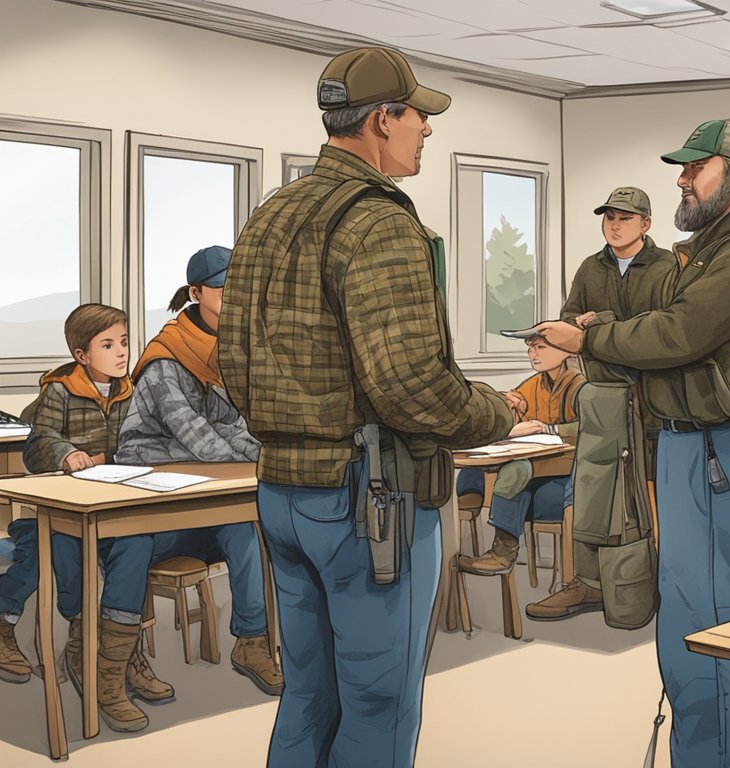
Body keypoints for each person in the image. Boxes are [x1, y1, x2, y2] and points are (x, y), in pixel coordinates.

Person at [218, 46, 513, 768]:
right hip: (367, 499)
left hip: (284, 488)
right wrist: (495, 412)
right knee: (380, 702)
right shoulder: (379, 221)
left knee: (310, 695)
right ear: (382, 119)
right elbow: (410, 386)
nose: (427, 131)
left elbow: (234, 358)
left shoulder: (271, 214)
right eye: (418, 116)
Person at [531, 119, 730, 768]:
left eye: (697, 169)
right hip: (697, 446)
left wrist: (589, 339)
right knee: (693, 622)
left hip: (727, 449)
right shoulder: (715, 247)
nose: (683, 179)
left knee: (715, 623)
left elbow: (679, 334)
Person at [117, 246, 281, 697]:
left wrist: (265, 452)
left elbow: (235, 425)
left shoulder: (225, 350)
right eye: (225, 287)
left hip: (201, 490)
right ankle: (122, 657)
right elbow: (197, 436)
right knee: (130, 551)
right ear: (196, 292)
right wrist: (259, 459)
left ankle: (251, 640)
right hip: (151, 497)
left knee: (247, 528)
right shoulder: (167, 357)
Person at [0, 304, 168, 732]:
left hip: (111, 507)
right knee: (55, 551)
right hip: (55, 510)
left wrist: (109, 458)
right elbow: (38, 446)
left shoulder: (133, 391)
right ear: (81, 354)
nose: (120, 353)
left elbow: (145, 441)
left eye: (125, 343)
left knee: (135, 544)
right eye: (107, 345)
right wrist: (66, 453)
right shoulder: (60, 391)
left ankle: (117, 654)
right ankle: (65, 633)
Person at [526, 186, 674, 621]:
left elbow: (666, 330)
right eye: (609, 216)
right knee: (591, 493)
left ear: (645, 224)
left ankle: (647, 588)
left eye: (624, 217)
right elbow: (571, 318)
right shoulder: (591, 267)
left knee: (650, 502)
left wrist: (603, 325)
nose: (614, 224)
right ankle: (590, 584)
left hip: (655, 404)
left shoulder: (666, 266)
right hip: (603, 397)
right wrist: (570, 326)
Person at [456, 336, 583, 574]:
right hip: (537, 463)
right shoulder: (535, 384)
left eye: (540, 347)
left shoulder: (579, 385)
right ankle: (462, 538)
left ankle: (503, 553)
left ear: (564, 350)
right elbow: (514, 410)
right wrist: (511, 409)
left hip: (566, 474)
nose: (532, 354)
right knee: (473, 470)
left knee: (516, 470)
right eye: (530, 349)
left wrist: (548, 428)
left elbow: (590, 426)